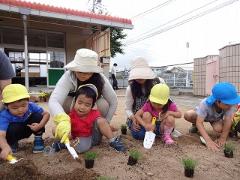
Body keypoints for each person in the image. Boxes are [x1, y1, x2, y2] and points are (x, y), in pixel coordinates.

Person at [49, 48, 125, 152]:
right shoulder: (68, 76)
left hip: (92, 113)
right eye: (80, 71)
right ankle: (69, 133)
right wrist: (63, 120)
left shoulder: (100, 79)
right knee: (56, 128)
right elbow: (54, 100)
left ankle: (96, 130)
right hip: (72, 113)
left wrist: (106, 122)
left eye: (88, 72)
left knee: (103, 104)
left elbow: (113, 101)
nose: (83, 74)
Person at [67, 84, 124, 153]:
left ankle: (113, 141)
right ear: (75, 101)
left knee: (101, 121)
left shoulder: (93, 113)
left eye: (87, 105)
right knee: (79, 148)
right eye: (80, 103)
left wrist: (109, 128)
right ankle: (63, 145)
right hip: (79, 139)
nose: (82, 107)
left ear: (92, 106)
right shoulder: (71, 115)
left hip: (93, 136)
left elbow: (101, 124)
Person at [184, 82, 240, 151]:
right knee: (188, 115)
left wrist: (223, 138)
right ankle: (194, 125)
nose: (230, 105)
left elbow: (228, 120)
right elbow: (199, 122)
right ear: (217, 101)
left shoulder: (230, 105)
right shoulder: (205, 104)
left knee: (219, 128)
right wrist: (208, 140)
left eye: (231, 103)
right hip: (201, 116)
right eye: (227, 104)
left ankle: (231, 131)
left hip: (215, 119)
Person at [0, 84, 50, 160]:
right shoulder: (4, 115)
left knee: (38, 116)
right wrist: (5, 147)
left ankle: (38, 139)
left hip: (30, 128)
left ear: (28, 101)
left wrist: (40, 125)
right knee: (10, 127)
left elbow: (46, 114)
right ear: (7, 106)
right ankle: (12, 144)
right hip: (14, 132)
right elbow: (1, 135)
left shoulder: (31, 106)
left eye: (23, 106)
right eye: (15, 107)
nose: (20, 110)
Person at [125, 57, 165, 139]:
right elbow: (128, 109)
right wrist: (133, 119)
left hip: (156, 117)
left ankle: (155, 129)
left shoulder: (159, 82)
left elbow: (166, 100)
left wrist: (164, 117)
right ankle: (154, 130)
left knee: (164, 127)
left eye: (142, 74)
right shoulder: (130, 88)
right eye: (137, 75)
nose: (140, 77)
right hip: (138, 118)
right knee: (139, 135)